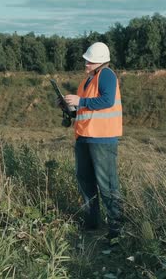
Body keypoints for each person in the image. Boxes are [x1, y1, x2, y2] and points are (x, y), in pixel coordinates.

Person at [62, 42, 124, 240]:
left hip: (102, 139)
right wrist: (68, 107)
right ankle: (91, 223)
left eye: (88, 60)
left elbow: (107, 101)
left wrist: (80, 101)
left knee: (107, 184)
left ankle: (115, 228)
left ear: (98, 61)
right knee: (85, 181)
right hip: (84, 137)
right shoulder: (87, 81)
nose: (85, 63)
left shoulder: (106, 75)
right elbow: (85, 108)